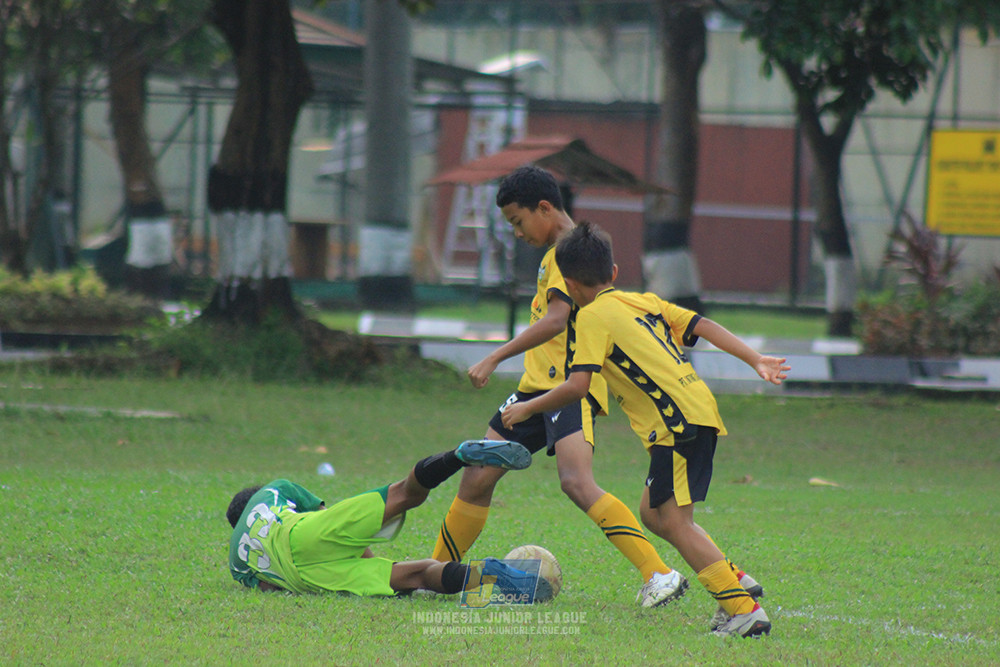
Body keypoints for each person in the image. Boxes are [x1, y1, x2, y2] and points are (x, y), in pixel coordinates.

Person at [501, 221, 790, 638]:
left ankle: (743, 609)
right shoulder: (644, 301)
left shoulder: (589, 319)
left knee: (673, 521)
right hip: (697, 410)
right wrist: (755, 358)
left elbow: (578, 385)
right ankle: (734, 579)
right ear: (614, 272)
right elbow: (702, 325)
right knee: (654, 514)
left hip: (675, 425)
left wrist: (528, 405)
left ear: (568, 283)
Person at [431, 165, 688, 608]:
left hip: (568, 389)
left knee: (576, 482)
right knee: (475, 479)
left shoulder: (565, 256)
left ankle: (660, 574)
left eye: (517, 221)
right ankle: (432, 576)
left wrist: (494, 355)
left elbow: (555, 320)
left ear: (544, 208)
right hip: (533, 392)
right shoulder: (560, 253)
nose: (516, 232)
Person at [227, 439, 538, 596]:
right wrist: (364, 551)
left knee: (417, 576)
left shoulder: (235, 563)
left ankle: (492, 574)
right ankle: (457, 456)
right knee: (406, 494)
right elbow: (323, 515)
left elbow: (268, 588)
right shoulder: (272, 492)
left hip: (306, 578)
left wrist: (373, 568)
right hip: (303, 533)